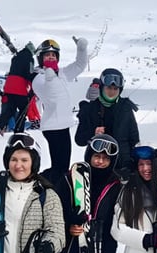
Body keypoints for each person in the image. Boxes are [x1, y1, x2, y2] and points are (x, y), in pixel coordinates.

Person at [31, 38, 88, 184]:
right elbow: (51, 97)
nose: (51, 57)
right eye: (47, 55)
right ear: (40, 58)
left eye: (54, 55)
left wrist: (81, 49)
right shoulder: (38, 78)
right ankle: (47, 187)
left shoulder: (61, 73)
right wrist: (50, 78)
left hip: (63, 125)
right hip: (52, 127)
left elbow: (80, 66)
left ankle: (56, 187)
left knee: (62, 167)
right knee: (59, 167)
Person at [75, 68, 140, 180]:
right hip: (98, 166)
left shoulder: (126, 107)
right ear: (102, 87)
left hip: (122, 166)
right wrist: (93, 133)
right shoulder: (89, 108)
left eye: (115, 88)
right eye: (109, 88)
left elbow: (134, 138)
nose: (112, 91)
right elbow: (79, 139)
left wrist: (130, 164)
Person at [0, 43, 41, 135]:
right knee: (23, 109)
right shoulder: (30, 58)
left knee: (11, 108)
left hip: (9, 86)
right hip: (19, 87)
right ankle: (19, 130)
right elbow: (29, 73)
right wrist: (33, 85)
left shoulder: (15, 57)